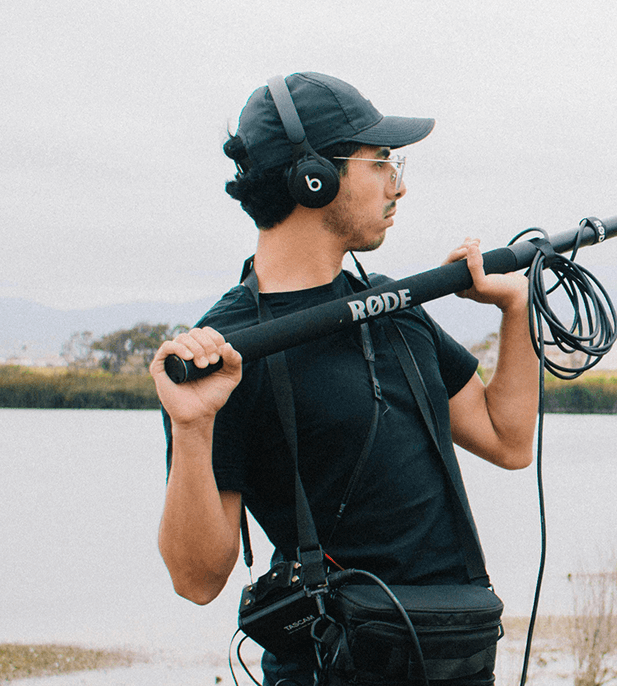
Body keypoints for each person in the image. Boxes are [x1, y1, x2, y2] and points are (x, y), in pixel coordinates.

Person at [150, 72, 538, 685]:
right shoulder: (221, 355)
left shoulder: (396, 308)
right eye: (381, 162)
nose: (398, 186)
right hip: (334, 666)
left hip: (453, 652)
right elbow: (196, 581)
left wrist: (515, 310)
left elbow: (508, 440)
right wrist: (192, 428)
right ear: (316, 178)